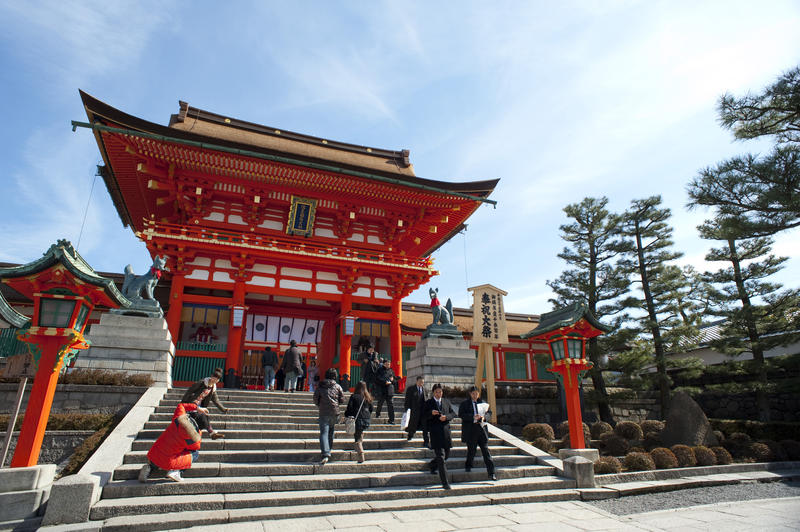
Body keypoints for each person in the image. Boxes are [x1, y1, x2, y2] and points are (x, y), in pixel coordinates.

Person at [139, 402, 209, 482]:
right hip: (168, 462)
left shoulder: (178, 418)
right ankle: (176, 471)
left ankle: (149, 467)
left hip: (153, 454)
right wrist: (198, 433)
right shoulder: (193, 439)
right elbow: (195, 447)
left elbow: (181, 405)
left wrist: (197, 407)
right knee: (195, 453)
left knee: (163, 451)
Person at [458, 385, 497, 481]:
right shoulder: (465, 404)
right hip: (471, 430)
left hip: (481, 430)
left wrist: (484, 418)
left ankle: (491, 473)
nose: (475, 395)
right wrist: (472, 417)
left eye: (476, 393)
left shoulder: (482, 403)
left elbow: (489, 413)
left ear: (479, 394)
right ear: (470, 394)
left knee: (486, 452)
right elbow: (461, 414)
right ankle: (468, 465)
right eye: (473, 394)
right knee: (471, 451)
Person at [423, 383, 455, 490]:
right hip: (435, 433)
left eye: (440, 392)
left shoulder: (446, 402)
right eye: (436, 392)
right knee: (441, 458)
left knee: (446, 455)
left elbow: (453, 414)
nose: (438, 394)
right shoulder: (429, 403)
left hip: (446, 433)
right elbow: (423, 415)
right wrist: (431, 413)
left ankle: (432, 465)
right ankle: (445, 482)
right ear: (433, 393)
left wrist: (446, 417)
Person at [181, 367, 228, 439]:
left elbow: (216, 400)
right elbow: (190, 391)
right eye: (214, 378)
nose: (215, 380)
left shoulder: (213, 388)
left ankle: (212, 434)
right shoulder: (202, 382)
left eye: (218, 379)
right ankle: (211, 433)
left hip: (199, 405)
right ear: (211, 376)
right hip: (192, 403)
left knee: (205, 417)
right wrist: (183, 403)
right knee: (202, 417)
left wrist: (223, 409)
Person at [313, 367, 345, 465]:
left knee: (324, 433)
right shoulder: (338, 386)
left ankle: (326, 453)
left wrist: (319, 405)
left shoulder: (320, 386)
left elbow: (315, 398)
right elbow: (342, 399)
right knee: (331, 432)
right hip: (335, 412)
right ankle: (329, 450)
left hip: (323, 412)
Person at [344, 380, 373, 463]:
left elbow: (350, 408)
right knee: (360, 433)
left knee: (357, 438)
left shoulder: (354, 396)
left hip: (358, 419)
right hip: (366, 419)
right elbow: (371, 409)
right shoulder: (368, 397)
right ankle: (359, 447)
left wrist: (347, 415)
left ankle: (361, 454)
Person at [404, 376, 428, 446]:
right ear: (417, 381)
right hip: (414, 411)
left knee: (425, 427)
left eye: (422, 382)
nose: (421, 383)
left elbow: (427, 400)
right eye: (420, 382)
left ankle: (426, 441)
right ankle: (410, 435)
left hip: (423, 412)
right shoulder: (411, 389)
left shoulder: (425, 389)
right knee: (412, 425)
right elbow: (407, 401)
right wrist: (407, 410)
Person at [375, 358, 395, 424]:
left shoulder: (391, 371)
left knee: (391, 406)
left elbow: (394, 380)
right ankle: (377, 413)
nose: (388, 365)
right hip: (382, 390)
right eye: (386, 364)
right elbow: (377, 379)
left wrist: (393, 380)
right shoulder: (379, 370)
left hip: (390, 391)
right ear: (383, 364)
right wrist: (384, 382)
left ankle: (391, 420)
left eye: (389, 364)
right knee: (380, 403)